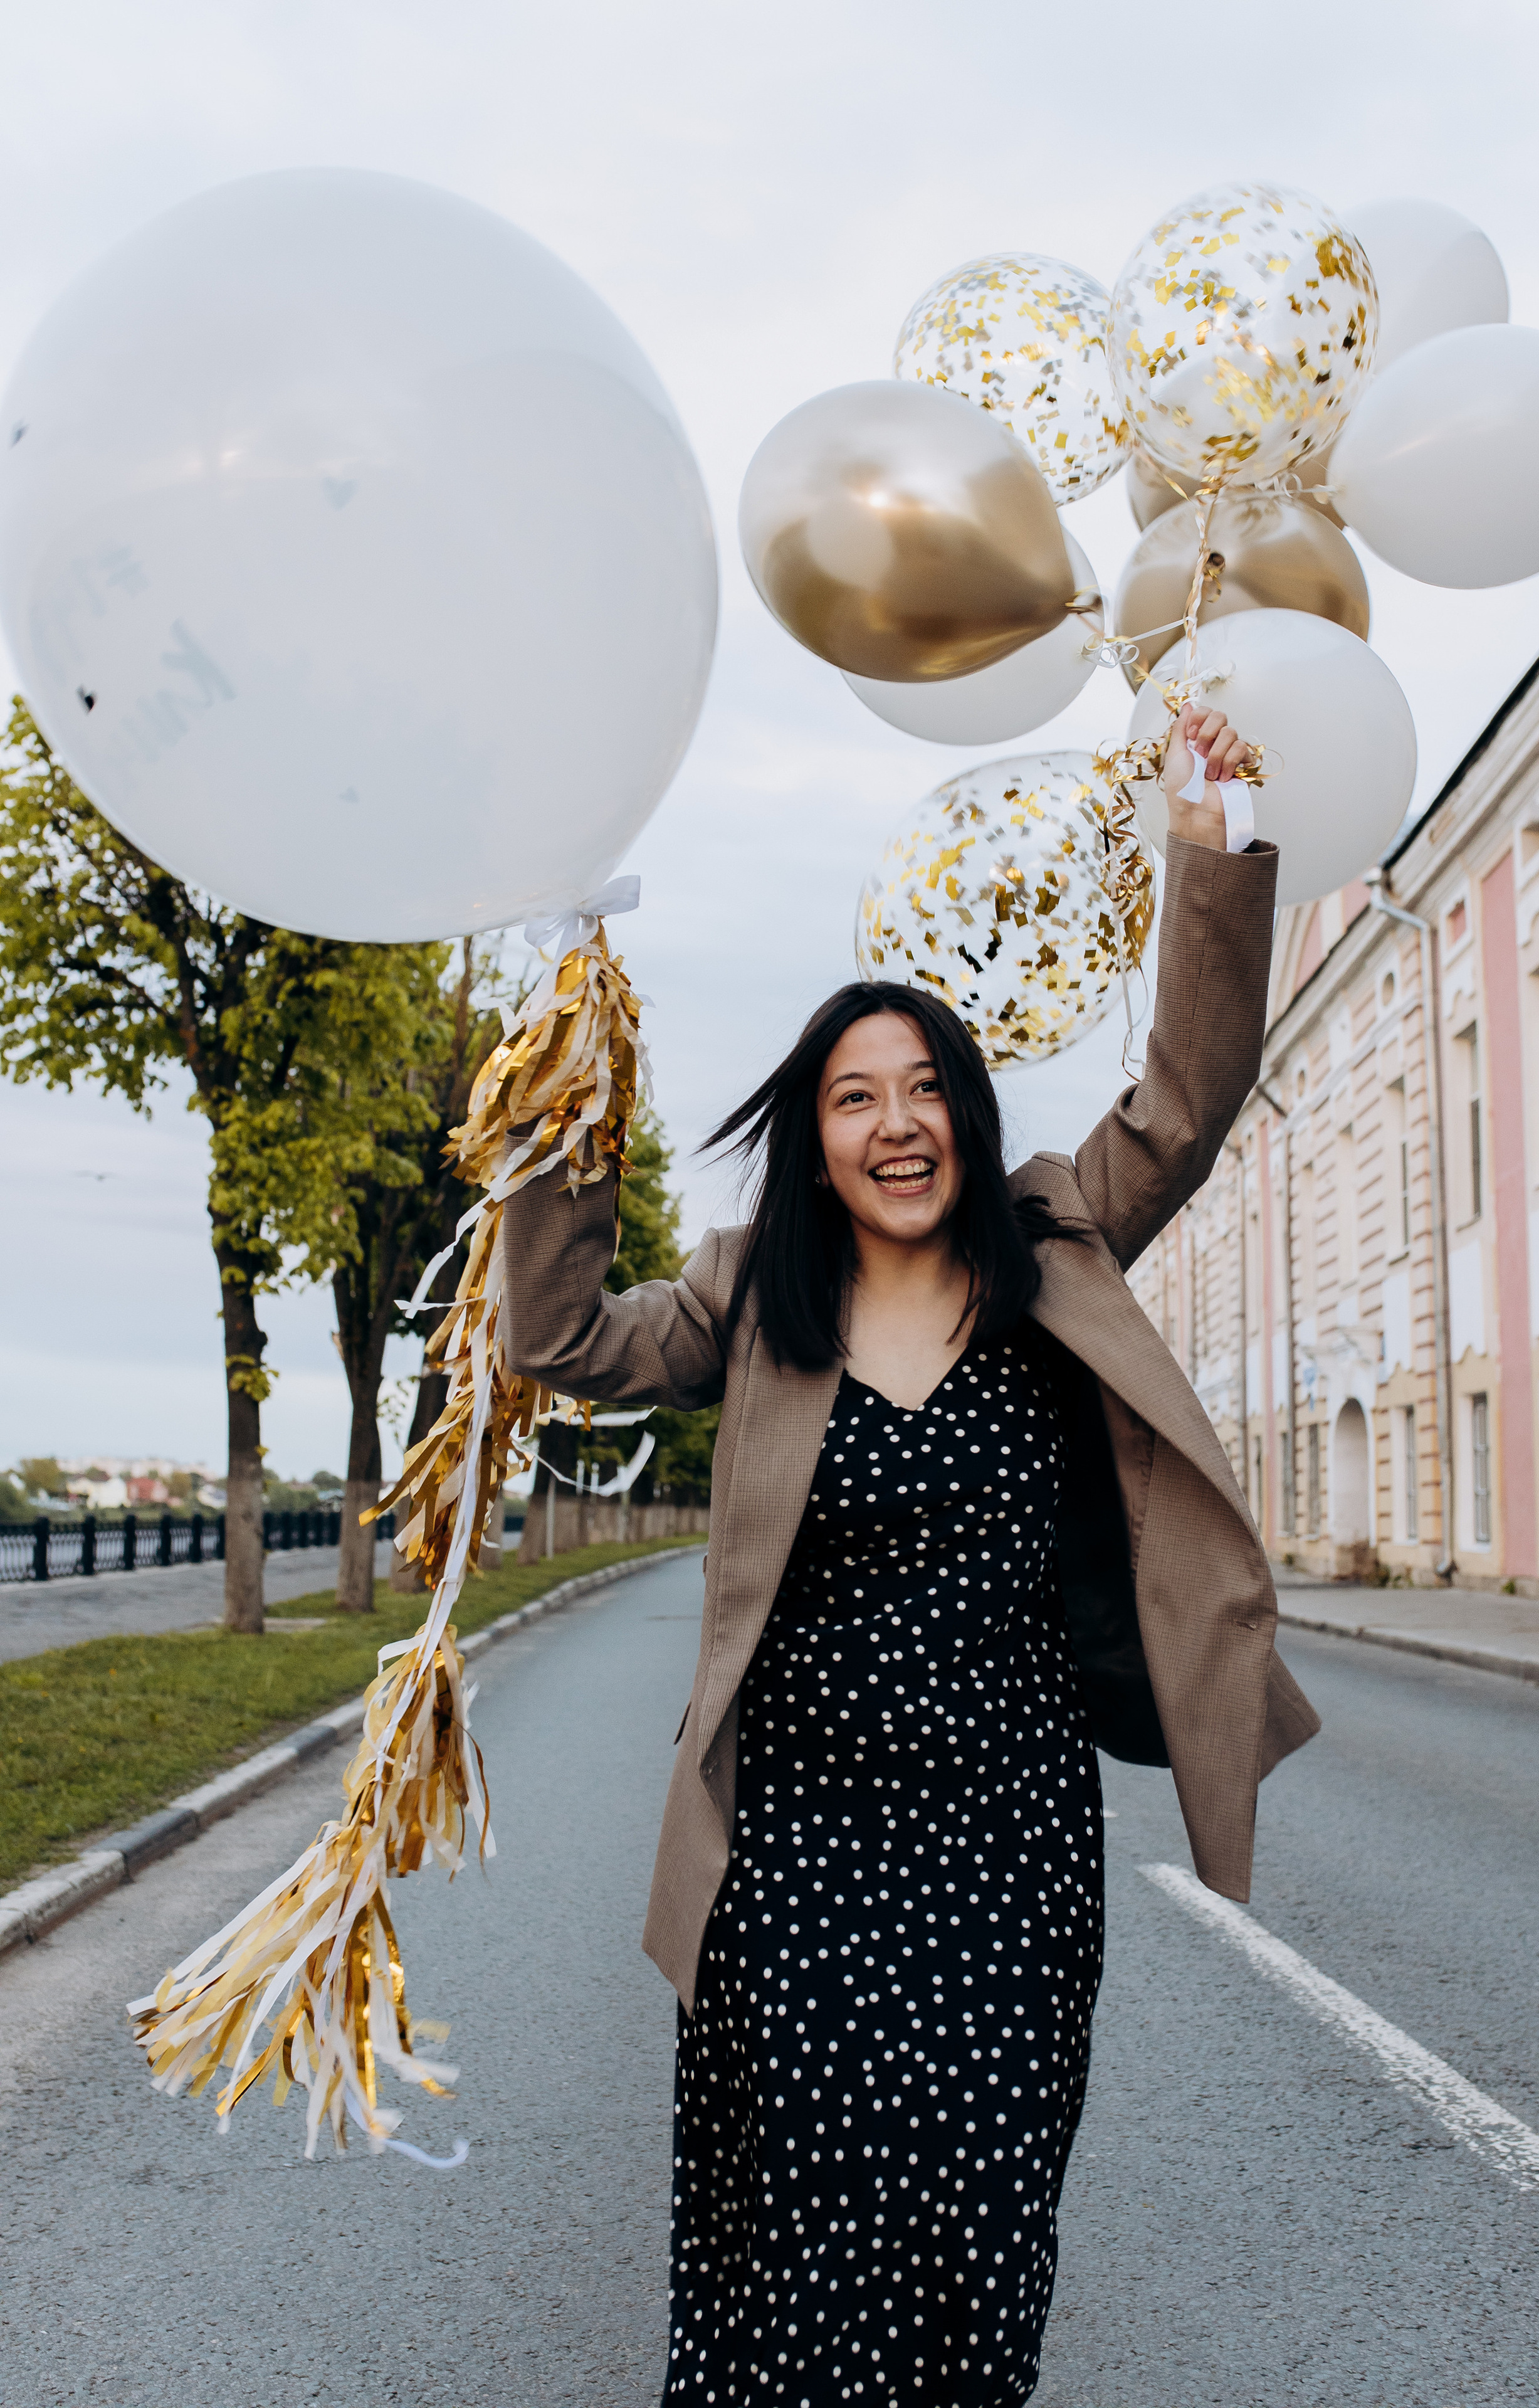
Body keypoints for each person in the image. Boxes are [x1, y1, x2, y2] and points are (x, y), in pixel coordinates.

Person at [502, 705, 1320, 2406]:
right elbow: (562, 1333)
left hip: (1011, 1855)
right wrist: (564, 1073)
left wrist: (1213, 839)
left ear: (967, 1108)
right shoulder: (747, 1295)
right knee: (793, 2254)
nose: (895, 1123)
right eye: (853, 1097)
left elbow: (1187, 1095)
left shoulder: (1051, 1240)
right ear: (813, 1135)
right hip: (790, 1860)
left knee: (975, 2247)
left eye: (925, 1087)